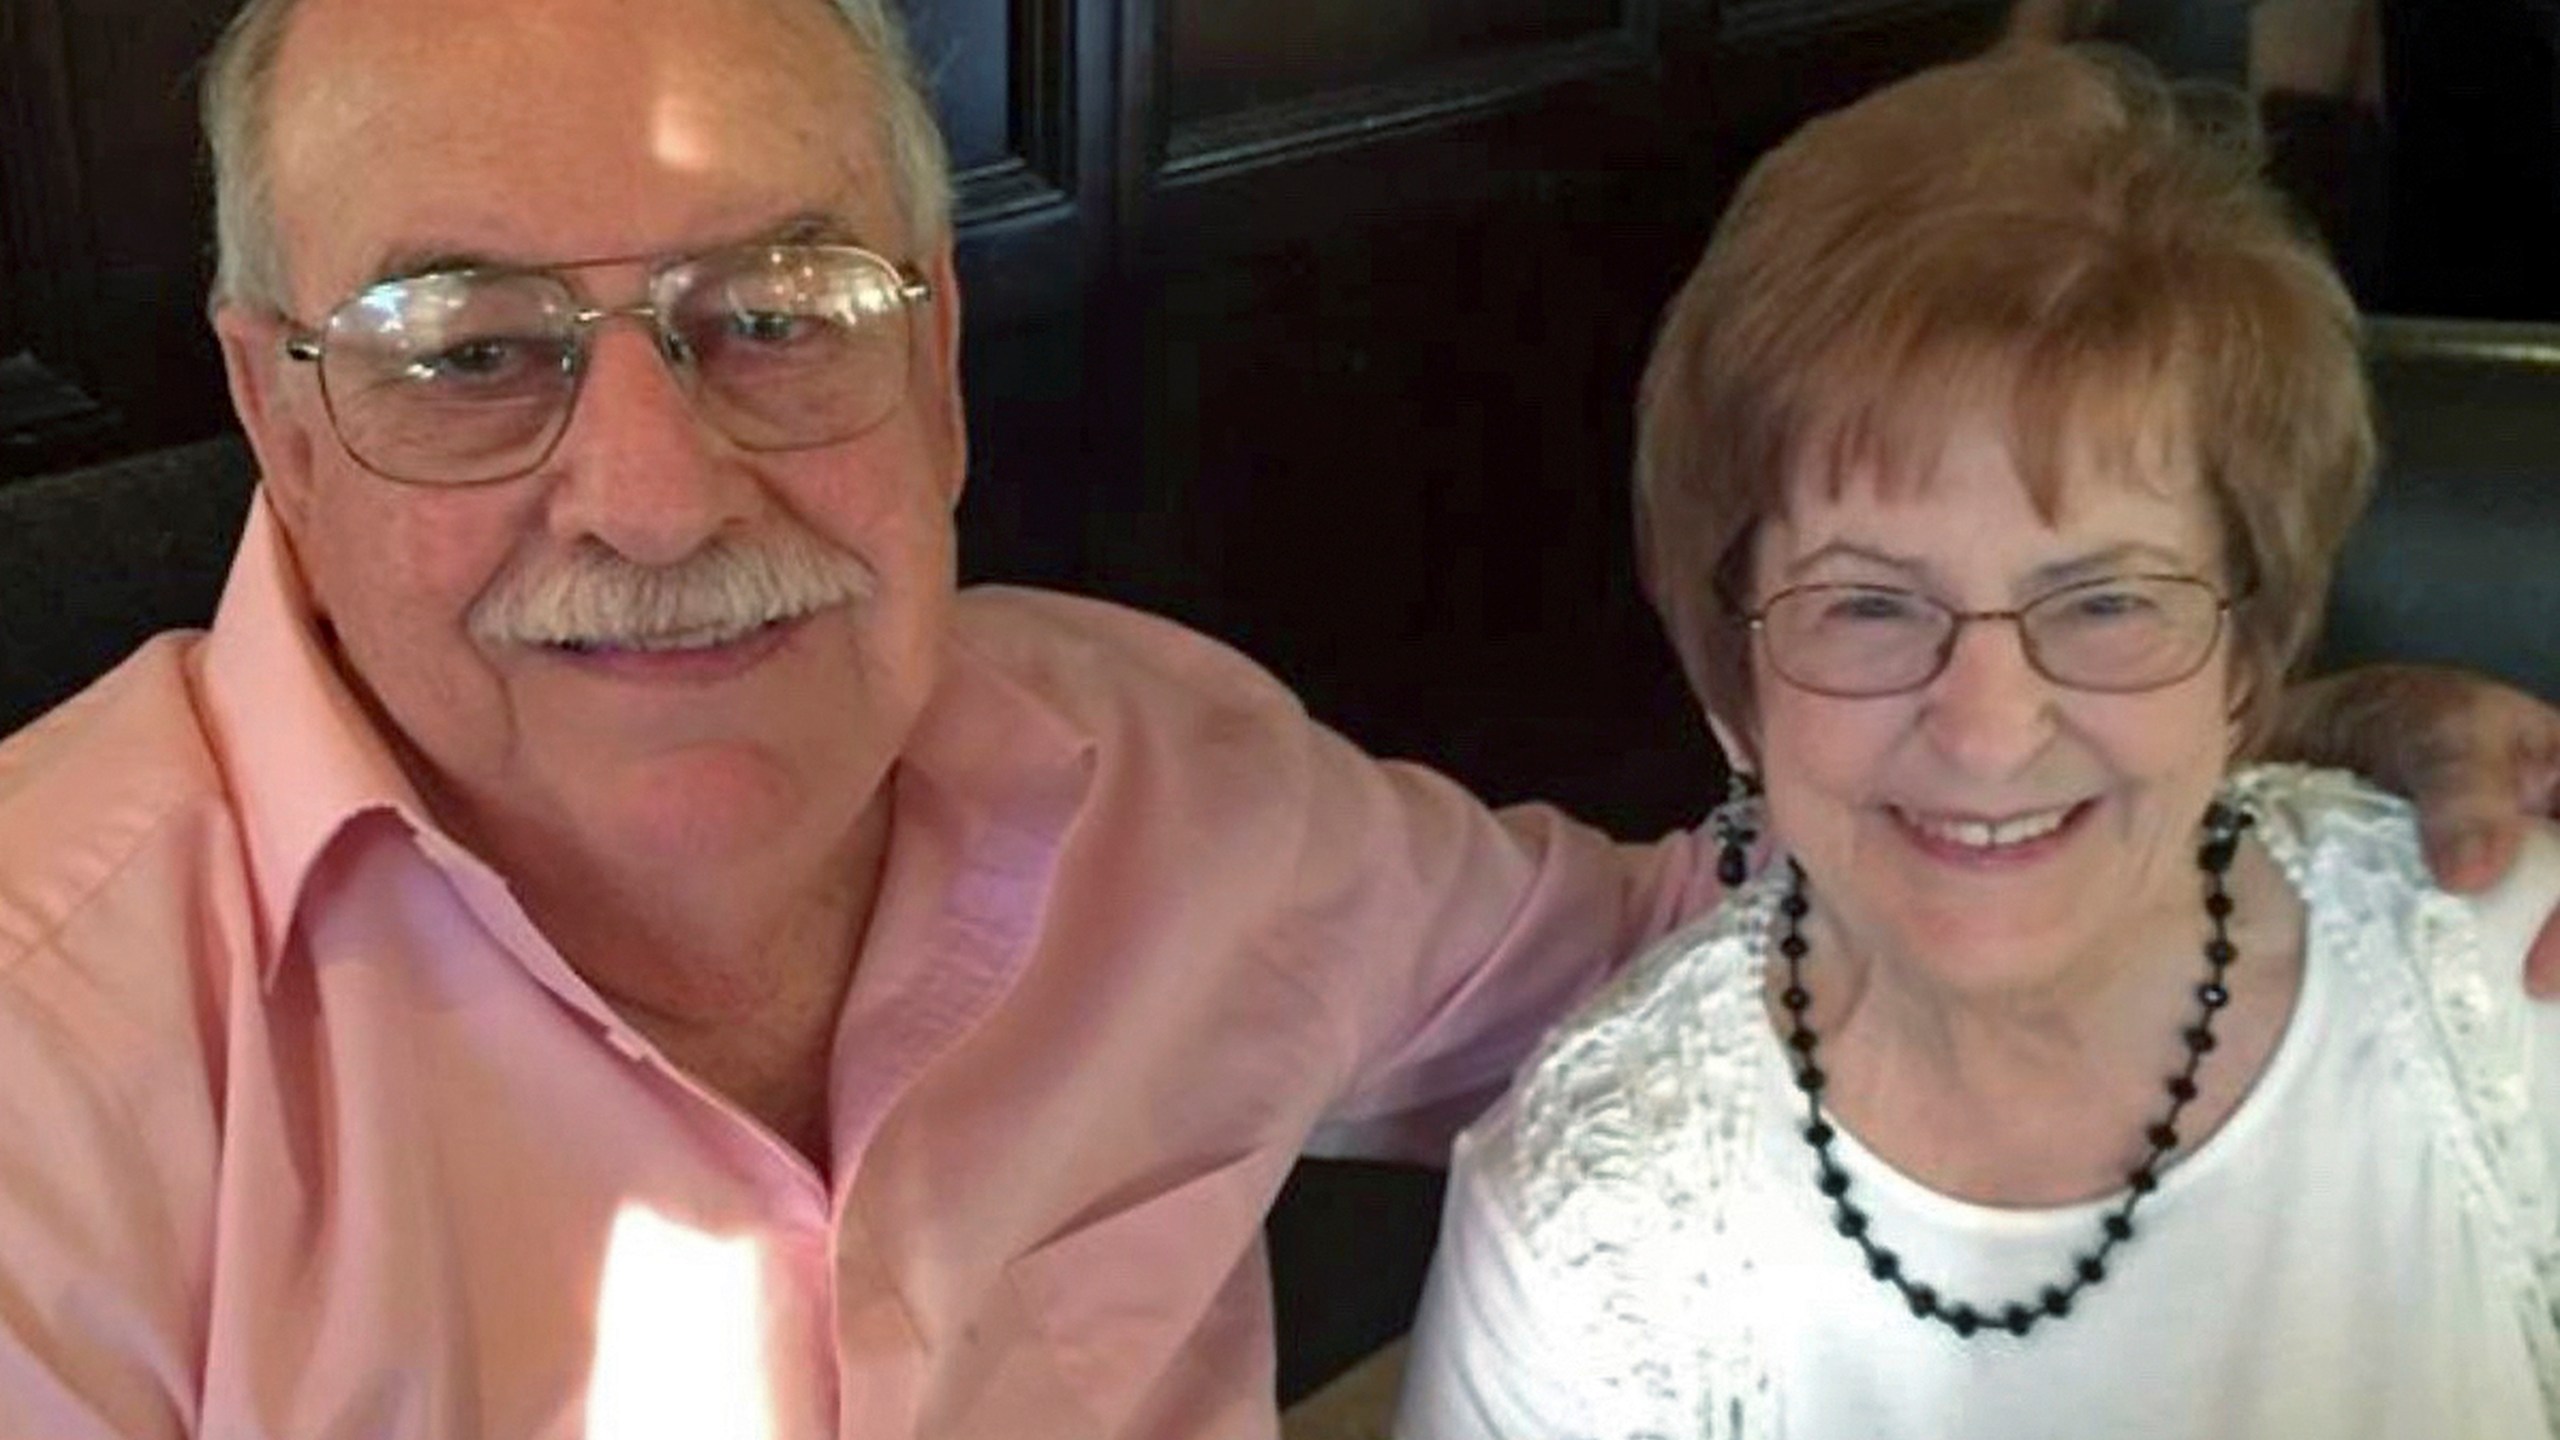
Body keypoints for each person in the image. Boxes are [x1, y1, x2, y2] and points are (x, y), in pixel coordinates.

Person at [0, 3, 2545, 1435]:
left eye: (777, 308)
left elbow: (1750, 910)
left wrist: (2255, 749)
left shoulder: (1178, 797)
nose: (654, 491)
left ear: (943, 359)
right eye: (470, 349)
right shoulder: (51, 1065)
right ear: (274, 400)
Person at [1397, 44, 2560, 1439]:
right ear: (1731, 676)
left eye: (2109, 599)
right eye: (1872, 605)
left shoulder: (2512, 996)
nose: (1991, 728)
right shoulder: (1594, 1226)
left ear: (2251, 655)